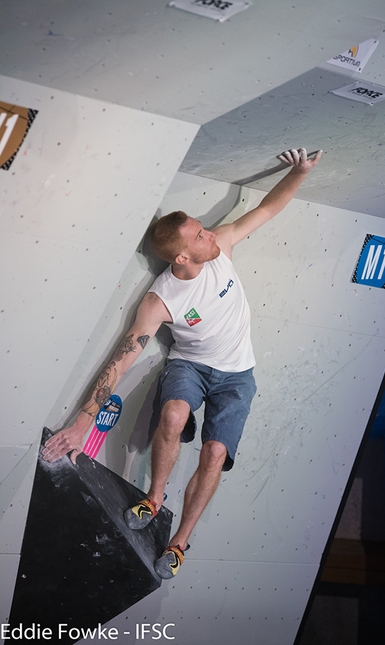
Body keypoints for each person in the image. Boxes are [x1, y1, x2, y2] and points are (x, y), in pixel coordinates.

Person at [43, 148, 322, 579]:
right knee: (173, 413)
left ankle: (179, 542)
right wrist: (82, 423)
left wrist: (300, 172)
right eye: (199, 236)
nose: (209, 234)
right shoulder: (161, 300)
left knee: (214, 452)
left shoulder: (222, 246)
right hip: (189, 365)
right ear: (181, 258)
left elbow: (268, 208)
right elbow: (121, 360)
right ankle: (153, 498)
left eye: (203, 229)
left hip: (237, 374)